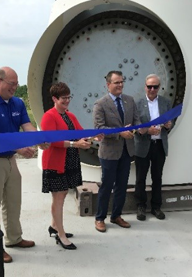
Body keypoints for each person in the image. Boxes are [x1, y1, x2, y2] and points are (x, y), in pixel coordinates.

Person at [0, 66, 48, 263]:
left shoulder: (17, 103)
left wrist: (39, 138)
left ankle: (14, 238)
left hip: (10, 159)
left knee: (13, 201)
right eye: (11, 84)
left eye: (16, 84)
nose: (14, 88)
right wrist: (19, 148)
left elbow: (27, 126)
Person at [41, 82, 101, 250]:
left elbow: (80, 132)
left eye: (69, 97)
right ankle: (60, 235)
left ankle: (54, 226)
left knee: (64, 193)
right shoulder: (49, 116)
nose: (67, 101)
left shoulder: (69, 116)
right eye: (63, 98)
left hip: (68, 160)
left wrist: (95, 135)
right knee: (58, 198)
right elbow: (53, 141)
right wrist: (76, 145)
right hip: (55, 162)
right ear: (54, 98)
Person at [93, 70, 141, 233]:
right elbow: (99, 128)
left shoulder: (129, 100)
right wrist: (120, 132)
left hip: (126, 151)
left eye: (122, 82)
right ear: (108, 85)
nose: (120, 85)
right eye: (116, 82)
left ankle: (116, 216)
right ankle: (100, 218)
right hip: (109, 153)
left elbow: (137, 122)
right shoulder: (101, 104)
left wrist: (132, 131)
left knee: (122, 185)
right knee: (106, 186)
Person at [134, 74, 173, 221]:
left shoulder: (165, 102)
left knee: (157, 177)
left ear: (159, 87)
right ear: (145, 86)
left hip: (159, 145)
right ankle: (141, 206)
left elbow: (171, 121)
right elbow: (135, 125)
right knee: (140, 178)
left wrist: (169, 125)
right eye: (149, 86)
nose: (152, 89)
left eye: (155, 86)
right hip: (143, 145)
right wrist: (146, 130)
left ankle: (156, 207)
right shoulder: (137, 104)